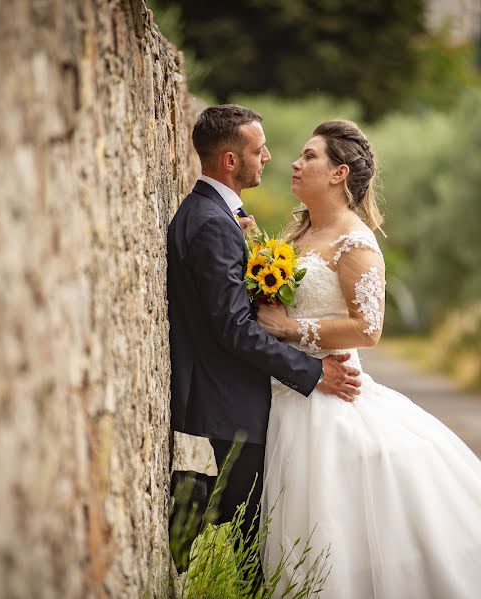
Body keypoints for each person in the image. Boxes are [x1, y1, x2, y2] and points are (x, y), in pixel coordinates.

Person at [255, 119, 481, 598]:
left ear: (338, 173)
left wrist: (289, 328)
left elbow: (368, 329)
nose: (295, 163)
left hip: (331, 398)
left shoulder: (356, 241)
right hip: (286, 394)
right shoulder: (295, 235)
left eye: (310, 156)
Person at [166, 105, 362, 574]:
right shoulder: (213, 222)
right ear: (231, 161)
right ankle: (189, 495)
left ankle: (195, 499)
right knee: (253, 535)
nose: (269, 158)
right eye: (258, 150)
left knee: (256, 518)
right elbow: (234, 328)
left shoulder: (216, 214)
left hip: (237, 392)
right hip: (231, 396)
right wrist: (314, 372)